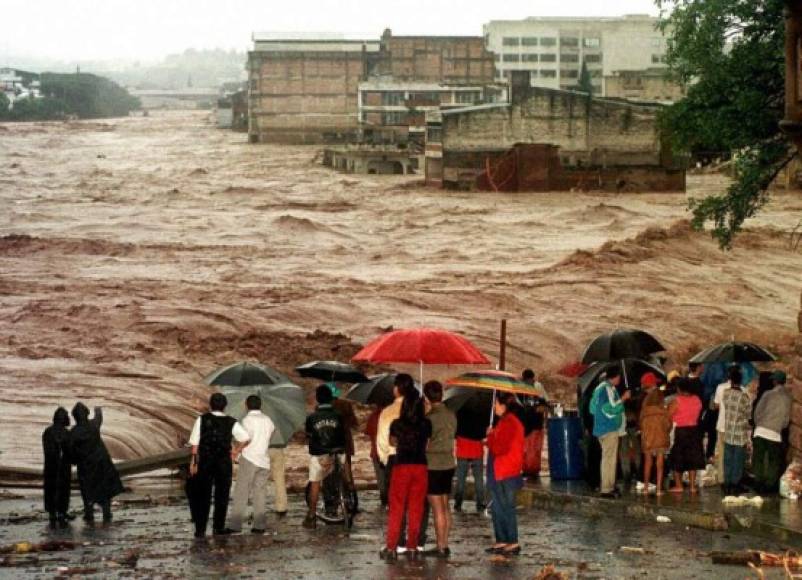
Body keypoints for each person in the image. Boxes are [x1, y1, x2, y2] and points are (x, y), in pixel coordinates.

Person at [188, 393, 250, 538]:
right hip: (223, 462)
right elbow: (246, 438)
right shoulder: (231, 421)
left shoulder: (202, 419)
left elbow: (195, 443)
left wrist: (193, 462)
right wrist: (235, 451)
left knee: (203, 495)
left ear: (210, 404)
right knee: (222, 495)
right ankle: (218, 527)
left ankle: (200, 529)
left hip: (205, 461)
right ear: (225, 406)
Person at [381, 390, 432, 561]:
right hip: (420, 467)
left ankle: (392, 546)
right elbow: (428, 443)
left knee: (397, 508)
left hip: (402, 466)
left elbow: (392, 442)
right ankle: (412, 546)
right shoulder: (426, 424)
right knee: (416, 508)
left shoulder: (397, 424)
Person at [227, 395, 275, 534]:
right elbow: (273, 431)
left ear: (247, 405)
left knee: (242, 491)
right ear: (261, 406)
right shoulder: (267, 419)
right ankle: (259, 526)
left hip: (250, 458)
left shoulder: (247, 420)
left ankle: (235, 525)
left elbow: (245, 439)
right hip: (264, 460)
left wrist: (236, 450)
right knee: (260, 492)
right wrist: (263, 442)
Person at [485, 392, 525, 556]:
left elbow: (500, 448)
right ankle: (502, 539)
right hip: (502, 470)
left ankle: (512, 541)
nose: (494, 407)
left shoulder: (509, 423)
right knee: (498, 506)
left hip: (505, 471)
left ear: (504, 406)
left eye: (496, 404)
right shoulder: (506, 422)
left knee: (506, 506)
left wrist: (490, 437)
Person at [70, 403, 124, 523]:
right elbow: (99, 416)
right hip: (101, 462)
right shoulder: (94, 425)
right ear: (87, 413)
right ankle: (106, 513)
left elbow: (71, 451)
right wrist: (97, 407)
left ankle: (89, 513)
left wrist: (73, 461)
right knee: (105, 490)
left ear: (75, 417)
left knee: (87, 491)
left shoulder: (73, 432)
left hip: (85, 466)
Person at [303, 385, 346, 529]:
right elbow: (342, 434)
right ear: (330, 398)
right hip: (337, 452)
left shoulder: (311, 417)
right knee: (339, 478)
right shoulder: (338, 415)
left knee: (315, 484)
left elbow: (309, 435)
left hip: (318, 454)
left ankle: (311, 515)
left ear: (317, 399)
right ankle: (338, 506)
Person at [422, 381, 456, 558]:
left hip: (433, 464)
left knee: (437, 509)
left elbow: (426, 444)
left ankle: (440, 546)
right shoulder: (451, 414)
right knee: (445, 505)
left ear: (427, 397)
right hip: (449, 463)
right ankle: (445, 542)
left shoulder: (430, 419)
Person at [589, 365, 630, 498]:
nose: (620, 379)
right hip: (609, 428)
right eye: (619, 377)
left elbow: (592, 409)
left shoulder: (600, 388)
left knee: (608, 458)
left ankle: (609, 486)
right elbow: (609, 409)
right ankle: (607, 489)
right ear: (616, 376)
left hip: (601, 428)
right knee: (609, 459)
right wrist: (623, 399)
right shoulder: (607, 389)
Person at [751, 371, 792, 493]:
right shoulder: (788, 398)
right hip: (775, 433)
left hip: (761, 430)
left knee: (758, 458)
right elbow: (786, 420)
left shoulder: (767, 394)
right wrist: (779, 426)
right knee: (773, 461)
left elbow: (757, 412)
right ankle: (769, 486)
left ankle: (758, 483)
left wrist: (759, 424)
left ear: (774, 381)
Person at [323, 385, 358, 517]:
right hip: (345, 443)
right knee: (347, 471)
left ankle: (331, 505)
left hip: (328, 444)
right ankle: (350, 501)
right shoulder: (346, 404)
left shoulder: (325, 407)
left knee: (328, 474)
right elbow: (355, 423)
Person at [667, 378, 705, 493]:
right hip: (694, 430)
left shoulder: (677, 401)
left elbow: (668, 415)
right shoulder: (697, 399)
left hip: (681, 431)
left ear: (679, 389)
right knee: (692, 458)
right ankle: (693, 486)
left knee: (677, 458)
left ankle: (679, 485)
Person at [639, 374, 671, 496]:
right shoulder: (662, 407)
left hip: (647, 435)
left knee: (648, 461)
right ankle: (658, 489)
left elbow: (641, 421)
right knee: (660, 462)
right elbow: (668, 422)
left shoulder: (645, 406)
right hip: (661, 434)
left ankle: (646, 487)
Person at [721, 375, 752, 495]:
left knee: (727, 459)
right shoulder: (744, 397)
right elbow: (748, 414)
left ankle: (727, 483)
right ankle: (735, 484)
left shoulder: (726, 393)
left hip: (728, 431)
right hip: (740, 432)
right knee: (738, 460)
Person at [712, 366, 743, 484]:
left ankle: (722, 478)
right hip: (736, 427)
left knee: (723, 453)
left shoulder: (720, 388)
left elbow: (716, 406)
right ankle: (734, 480)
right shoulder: (743, 390)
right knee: (736, 455)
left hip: (722, 425)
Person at [43, 407, 72, 526]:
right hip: (57, 465)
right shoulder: (64, 433)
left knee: (54, 488)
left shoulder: (49, 431)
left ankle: (56, 513)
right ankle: (58, 513)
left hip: (54, 465)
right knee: (60, 489)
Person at [453, 407, 486, 513]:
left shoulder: (460, 410)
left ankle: (458, 503)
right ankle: (480, 504)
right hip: (477, 449)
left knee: (461, 479)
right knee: (479, 479)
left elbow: (455, 432)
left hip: (463, 448)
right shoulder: (483, 412)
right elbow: (484, 434)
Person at [520, 369, 548, 478]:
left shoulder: (538, 388)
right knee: (527, 450)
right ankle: (527, 469)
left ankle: (532, 470)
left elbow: (544, 406)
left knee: (533, 450)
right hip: (527, 426)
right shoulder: (521, 391)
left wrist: (538, 410)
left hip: (535, 426)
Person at [365, 403, 388, 508]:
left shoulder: (373, 416)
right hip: (390, 453)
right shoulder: (393, 414)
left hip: (376, 453)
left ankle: (384, 501)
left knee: (381, 480)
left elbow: (368, 433)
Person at [268, 441, 288, 518]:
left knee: (260, 480)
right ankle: (281, 507)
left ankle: (260, 507)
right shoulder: (280, 429)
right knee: (280, 479)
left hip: (262, 449)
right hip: (278, 449)